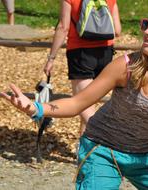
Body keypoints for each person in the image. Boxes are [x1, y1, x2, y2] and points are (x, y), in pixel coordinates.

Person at [1, 4, 148, 190]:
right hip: (102, 149)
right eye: (146, 24)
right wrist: (36, 108)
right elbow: (76, 103)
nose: (146, 31)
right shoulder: (127, 67)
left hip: (147, 156)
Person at [43, 0, 121, 136]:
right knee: (90, 102)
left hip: (80, 53)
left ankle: (106, 138)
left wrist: (51, 58)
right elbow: (117, 30)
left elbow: (63, 28)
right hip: (105, 52)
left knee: (82, 104)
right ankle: (84, 151)